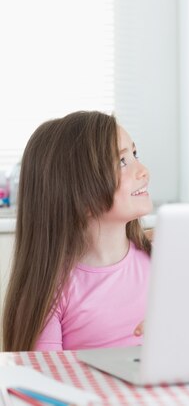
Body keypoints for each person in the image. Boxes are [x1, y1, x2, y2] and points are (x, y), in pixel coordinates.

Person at [2, 110, 152, 351]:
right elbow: (44, 380)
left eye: (135, 154)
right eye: (122, 161)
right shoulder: (52, 291)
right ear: (79, 193)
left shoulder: (161, 260)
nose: (143, 170)